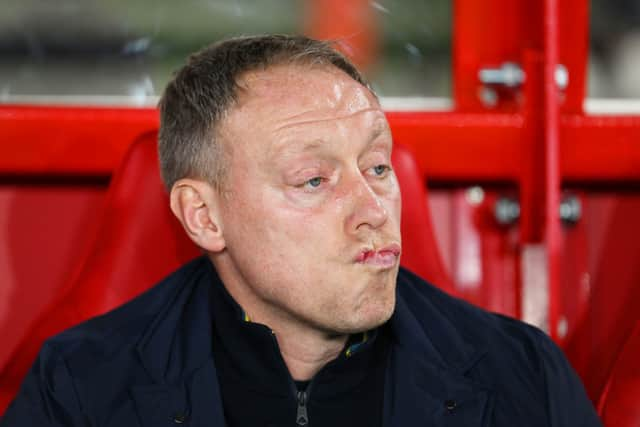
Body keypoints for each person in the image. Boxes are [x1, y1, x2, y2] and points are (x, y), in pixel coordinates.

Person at [1, 34, 601, 427]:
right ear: (205, 217)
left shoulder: (522, 376)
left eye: (378, 166)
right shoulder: (81, 389)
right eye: (313, 180)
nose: (374, 209)